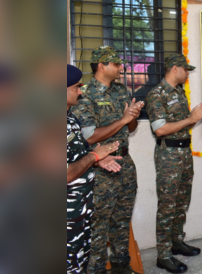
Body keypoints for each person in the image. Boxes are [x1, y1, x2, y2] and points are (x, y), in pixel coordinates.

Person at [72, 46, 145, 274]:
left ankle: (122, 266)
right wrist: (123, 120)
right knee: (99, 224)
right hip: (100, 167)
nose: (120, 67)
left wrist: (132, 116)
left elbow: (130, 128)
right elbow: (90, 136)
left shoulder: (121, 91)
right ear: (101, 66)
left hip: (124, 161)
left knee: (122, 220)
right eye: (116, 64)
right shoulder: (85, 93)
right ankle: (96, 270)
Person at [146, 54, 202, 273]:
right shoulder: (156, 95)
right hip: (169, 155)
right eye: (186, 69)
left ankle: (176, 241)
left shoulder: (178, 92)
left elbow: (181, 124)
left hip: (184, 152)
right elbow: (161, 129)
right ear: (175, 69)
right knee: (167, 205)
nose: (188, 73)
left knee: (181, 202)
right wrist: (191, 119)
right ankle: (163, 254)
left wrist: (197, 116)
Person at [67, 64, 123, 274]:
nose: (80, 92)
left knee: (79, 264)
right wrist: (94, 156)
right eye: (75, 87)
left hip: (79, 212)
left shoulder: (70, 118)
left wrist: (96, 160)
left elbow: (74, 155)